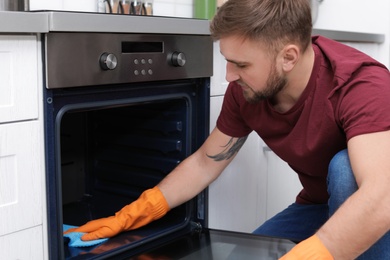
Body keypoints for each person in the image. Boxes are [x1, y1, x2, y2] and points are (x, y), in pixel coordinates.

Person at [65, 0, 390, 258]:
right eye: (227, 60)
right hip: (319, 207)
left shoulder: (360, 85)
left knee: (345, 168)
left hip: (378, 210)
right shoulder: (247, 90)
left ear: (288, 57)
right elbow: (206, 162)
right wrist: (132, 214)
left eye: (242, 64)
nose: (229, 76)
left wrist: (317, 253)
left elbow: (381, 197)